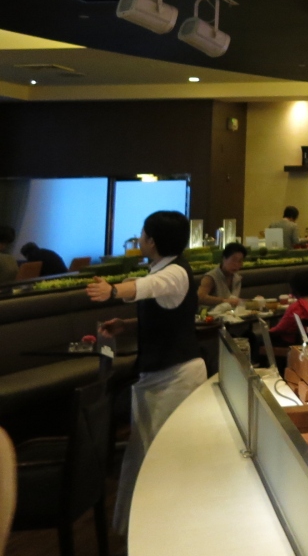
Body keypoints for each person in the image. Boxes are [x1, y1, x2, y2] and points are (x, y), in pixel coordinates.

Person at [85, 210, 206, 532]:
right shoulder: (165, 268)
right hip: (163, 373)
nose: (139, 238)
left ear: (151, 240)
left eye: (142, 233)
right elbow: (163, 309)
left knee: (163, 455)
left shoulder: (174, 272)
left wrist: (113, 291)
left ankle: (165, 529)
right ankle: (143, 529)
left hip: (176, 376)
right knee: (145, 452)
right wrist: (126, 325)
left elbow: (147, 286)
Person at [270, 270, 308, 347]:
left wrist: (267, 331)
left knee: (259, 340)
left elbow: (280, 329)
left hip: (289, 344)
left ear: (294, 289)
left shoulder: (295, 308)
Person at [198, 242, 247, 307]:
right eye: (234, 260)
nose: (237, 264)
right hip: (211, 313)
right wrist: (224, 301)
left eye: (240, 261)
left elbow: (234, 301)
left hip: (231, 312)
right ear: (224, 258)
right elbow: (200, 297)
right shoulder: (211, 277)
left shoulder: (237, 278)